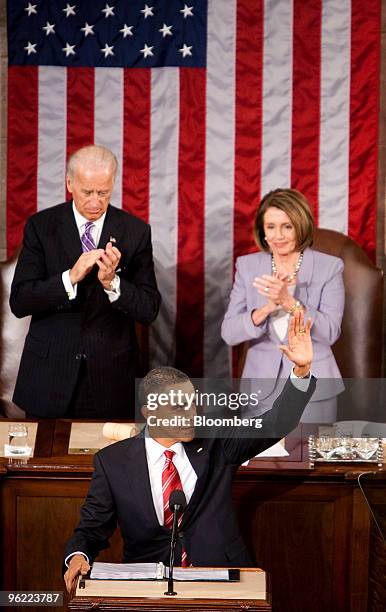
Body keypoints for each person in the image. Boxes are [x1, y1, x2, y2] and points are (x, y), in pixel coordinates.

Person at [64, 310, 316, 592]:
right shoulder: (112, 462)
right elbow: (91, 528)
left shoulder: (216, 441)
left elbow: (275, 423)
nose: (191, 414)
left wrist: (301, 372)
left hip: (221, 576)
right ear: (150, 413)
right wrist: (77, 557)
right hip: (149, 584)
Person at [10, 145, 161, 419]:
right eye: (87, 192)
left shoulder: (136, 232)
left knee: (108, 462)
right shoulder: (41, 227)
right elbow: (20, 300)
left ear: (113, 182)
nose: (95, 201)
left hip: (110, 381)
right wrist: (70, 278)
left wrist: (113, 283)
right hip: (48, 378)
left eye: (103, 193)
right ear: (70, 183)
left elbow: (149, 309)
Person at [221, 188, 344, 423]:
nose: (278, 235)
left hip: (314, 387)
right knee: (259, 459)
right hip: (259, 388)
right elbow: (229, 333)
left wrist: (289, 301)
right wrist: (267, 307)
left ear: (302, 225)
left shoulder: (330, 267)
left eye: (287, 226)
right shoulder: (247, 266)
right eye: (270, 227)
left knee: (309, 458)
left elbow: (330, 332)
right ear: (262, 231)